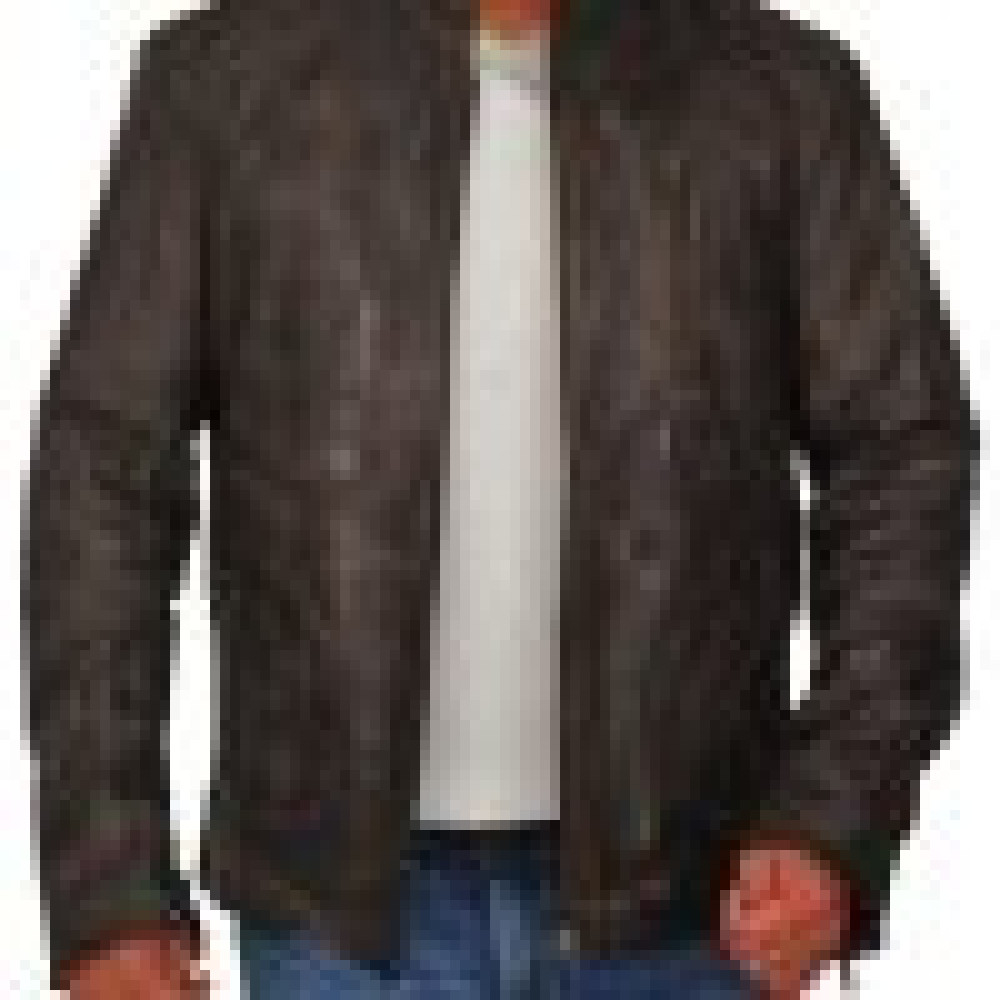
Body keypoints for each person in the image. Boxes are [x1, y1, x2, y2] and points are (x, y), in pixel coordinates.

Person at [23, 1, 976, 997]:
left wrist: (834, 814)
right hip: (339, 923)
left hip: (703, 899)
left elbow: (901, 450)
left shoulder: (781, 92)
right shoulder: (220, 82)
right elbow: (103, 477)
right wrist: (107, 889)